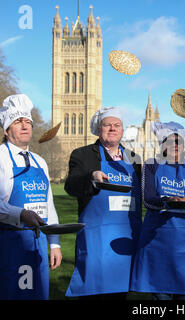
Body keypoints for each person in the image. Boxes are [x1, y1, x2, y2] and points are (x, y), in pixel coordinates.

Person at [0, 94, 62, 300]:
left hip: (37, 243)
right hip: (9, 242)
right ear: (7, 130)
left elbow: (48, 206)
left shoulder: (39, 161)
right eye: (18, 122)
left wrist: (54, 244)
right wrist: (21, 214)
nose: (25, 126)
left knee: (37, 294)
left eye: (28, 122)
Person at [65, 107, 142, 299]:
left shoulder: (134, 159)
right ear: (98, 129)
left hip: (126, 239)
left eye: (117, 125)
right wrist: (91, 176)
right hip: (96, 240)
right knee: (95, 291)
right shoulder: (83, 155)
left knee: (120, 293)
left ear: (123, 131)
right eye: (107, 125)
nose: (112, 129)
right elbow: (71, 186)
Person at [130, 121, 185, 300]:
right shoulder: (151, 165)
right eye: (170, 141)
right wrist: (168, 200)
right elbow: (148, 200)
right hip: (157, 240)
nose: (175, 145)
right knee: (161, 296)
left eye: (178, 141)